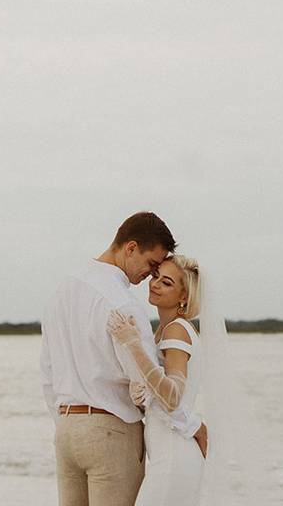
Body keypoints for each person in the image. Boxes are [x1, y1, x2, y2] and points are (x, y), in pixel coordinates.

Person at [40, 212, 205, 506]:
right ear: (130, 248)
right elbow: (148, 383)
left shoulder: (62, 290)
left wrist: (64, 423)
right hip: (110, 432)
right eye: (152, 265)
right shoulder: (122, 302)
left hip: (66, 430)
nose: (148, 277)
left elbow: (47, 371)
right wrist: (193, 426)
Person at [106, 254, 207, 506]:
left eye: (167, 282)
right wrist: (139, 391)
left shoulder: (177, 330)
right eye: (156, 277)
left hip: (174, 458)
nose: (155, 284)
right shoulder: (162, 331)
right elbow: (163, 399)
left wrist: (133, 345)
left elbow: (172, 397)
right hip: (167, 455)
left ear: (184, 297)